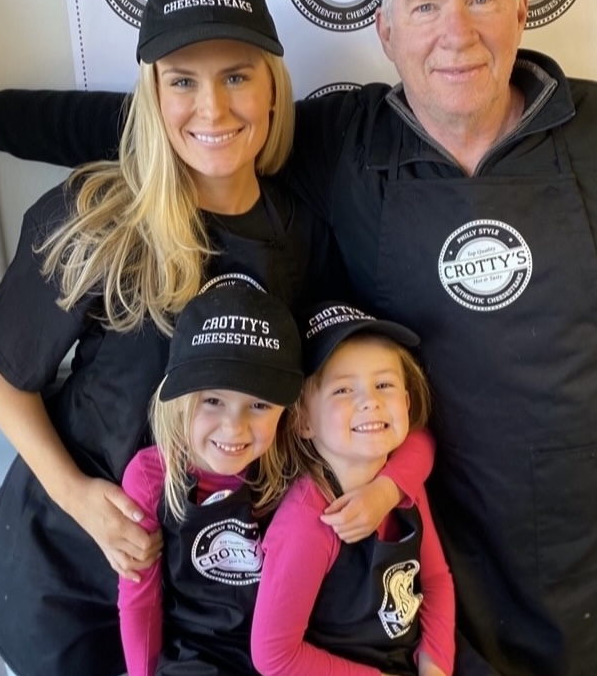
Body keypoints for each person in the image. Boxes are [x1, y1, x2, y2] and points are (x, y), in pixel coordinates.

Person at [0, 0, 597, 674]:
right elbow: (131, 130)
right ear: (385, 30)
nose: (457, 33)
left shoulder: (587, 136)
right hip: (113, 569)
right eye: (425, 6)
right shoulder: (163, 198)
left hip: (275, 580)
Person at [0, 0, 359, 676]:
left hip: (208, 589)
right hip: (73, 575)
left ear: (271, 88)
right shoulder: (98, 216)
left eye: (237, 76)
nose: (212, 107)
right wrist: (77, 495)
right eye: (182, 80)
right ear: (152, 94)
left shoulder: (303, 235)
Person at [119, 278, 437, 676]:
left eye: (258, 404)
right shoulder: (150, 477)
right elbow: (139, 599)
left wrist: (387, 490)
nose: (234, 429)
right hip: (196, 657)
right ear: (180, 395)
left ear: (289, 413)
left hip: (287, 655)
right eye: (213, 400)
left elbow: (418, 440)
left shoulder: (281, 455)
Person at [251, 300, 455, 676]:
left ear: (406, 403)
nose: (370, 401)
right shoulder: (306, 523)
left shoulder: (403, 484)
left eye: (384, 384)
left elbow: (436, 579)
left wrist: (436, 665)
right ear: (303, 421)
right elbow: (274, 657)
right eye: (343, 390)